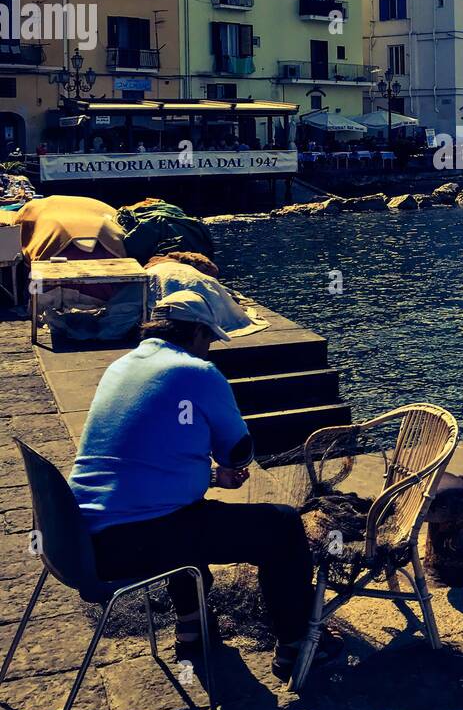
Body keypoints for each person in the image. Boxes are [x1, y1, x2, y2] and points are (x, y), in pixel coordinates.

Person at [68, 290, 321, 682]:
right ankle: (296, 642)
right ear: (199, 333)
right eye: (209, 342)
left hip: (78, 539)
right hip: (128, 544)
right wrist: (226, 463)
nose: (209, 352)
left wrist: (206, 475)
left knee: (190, 513)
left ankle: (193, 626)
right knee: (282, 526)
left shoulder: (121, 366)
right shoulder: (197, 371)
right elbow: (238, 451)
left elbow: (141, 461)